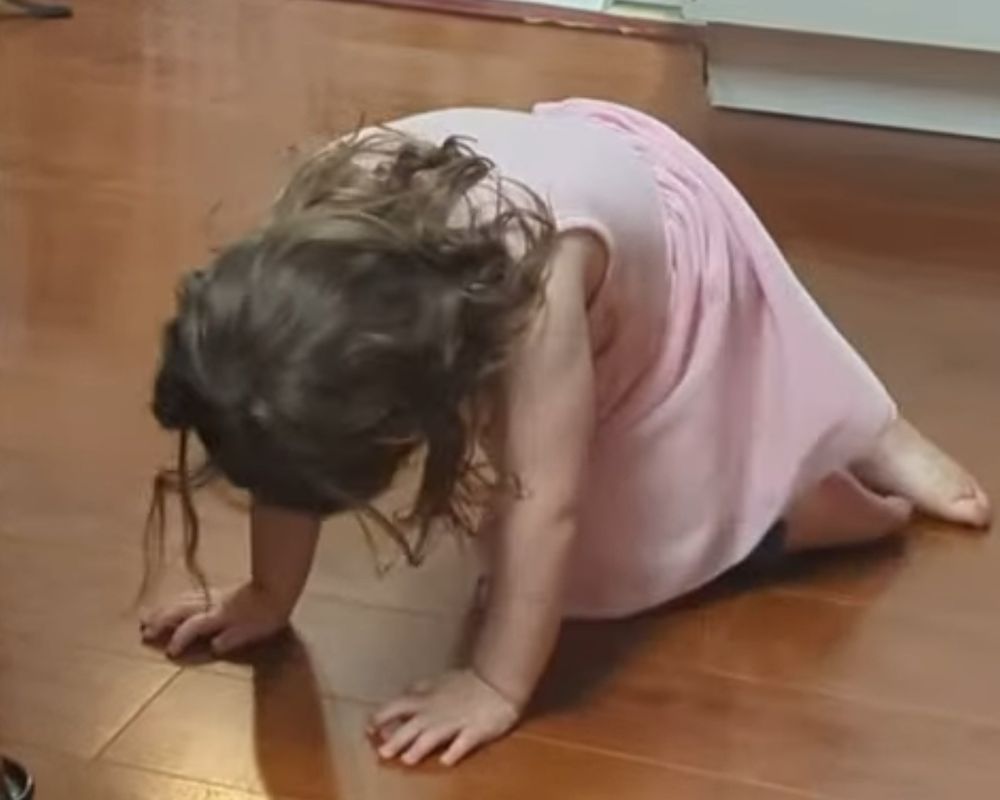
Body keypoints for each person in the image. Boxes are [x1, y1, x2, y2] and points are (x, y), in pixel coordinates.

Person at [137, 99, 991, 767]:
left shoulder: (537, 292)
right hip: (571, 178)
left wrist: (495, 684)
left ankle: (826, 487)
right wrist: (266, 598)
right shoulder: (300, 263)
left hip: (672, 259)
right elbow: (283, 437)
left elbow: (546, 505)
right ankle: (850, 426)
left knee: (606, 563)